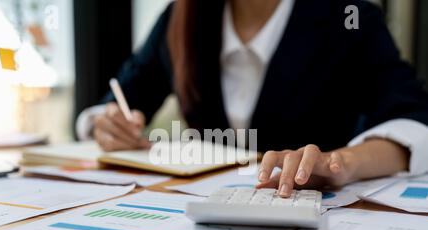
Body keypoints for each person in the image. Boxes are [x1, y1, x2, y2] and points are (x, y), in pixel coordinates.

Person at [77, 0, 428, 197]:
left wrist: (341, 164)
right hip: (202, 217)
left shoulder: (350, 18)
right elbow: (116, 99)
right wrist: (103, 124)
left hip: (308, 215)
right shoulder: (180, 17)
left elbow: (414, 122)